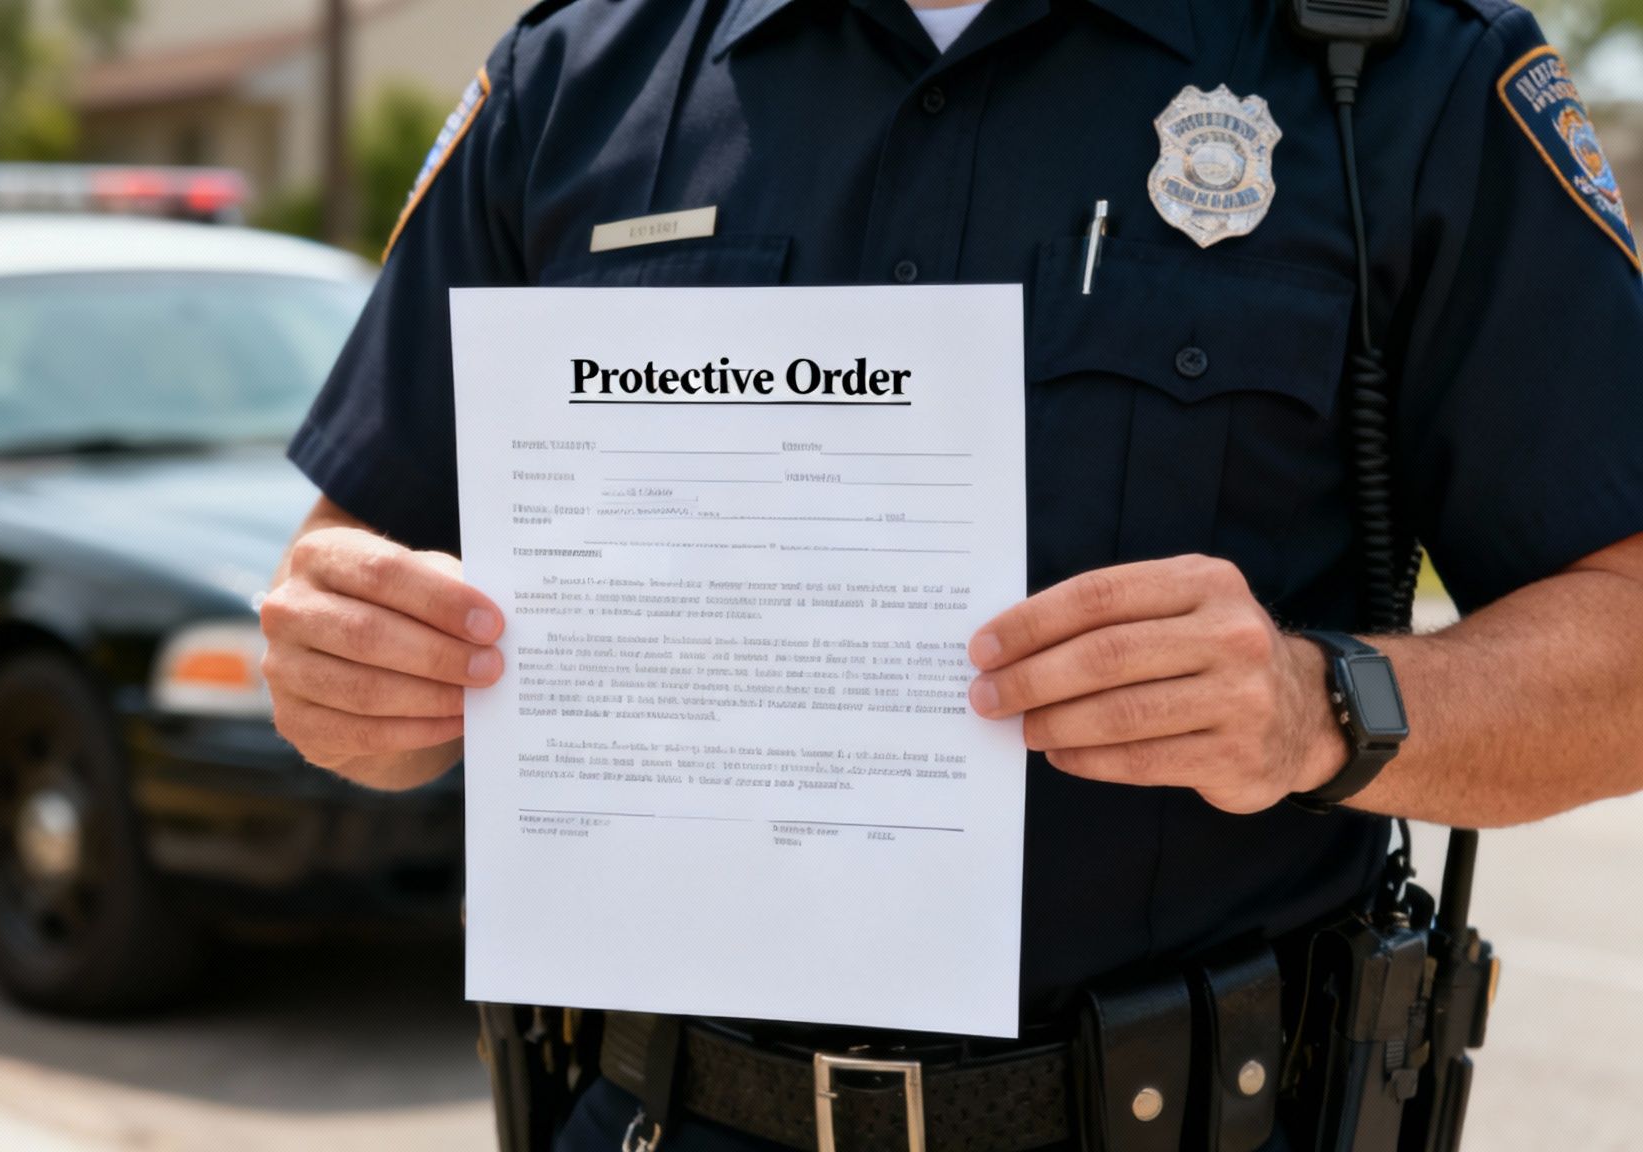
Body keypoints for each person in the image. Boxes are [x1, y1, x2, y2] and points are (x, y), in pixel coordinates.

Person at [260, 0, 1643, 1147]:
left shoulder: (1397, 70)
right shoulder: (582, 74)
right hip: (662, 1115)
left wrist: (1315, 708)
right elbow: (352, 571)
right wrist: (350, 678)